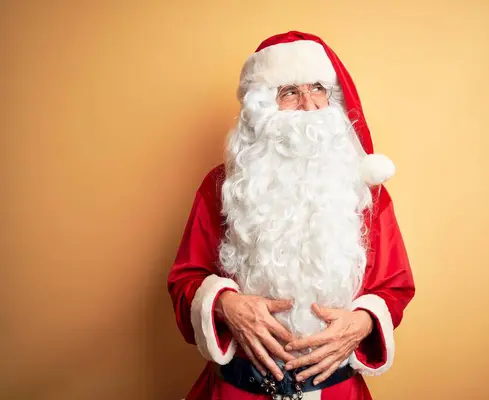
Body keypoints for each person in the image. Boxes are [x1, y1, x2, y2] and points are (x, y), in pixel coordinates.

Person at [167, 31, 416, 400]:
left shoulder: (364, 190)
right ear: (262, 106)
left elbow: (394, 287)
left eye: (318, 88)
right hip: (241, 390)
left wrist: (361, 322)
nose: (308, 104)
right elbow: (185, 280)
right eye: (289, 92)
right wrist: (225, 303)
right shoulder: (222, 186)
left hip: (336, 392)